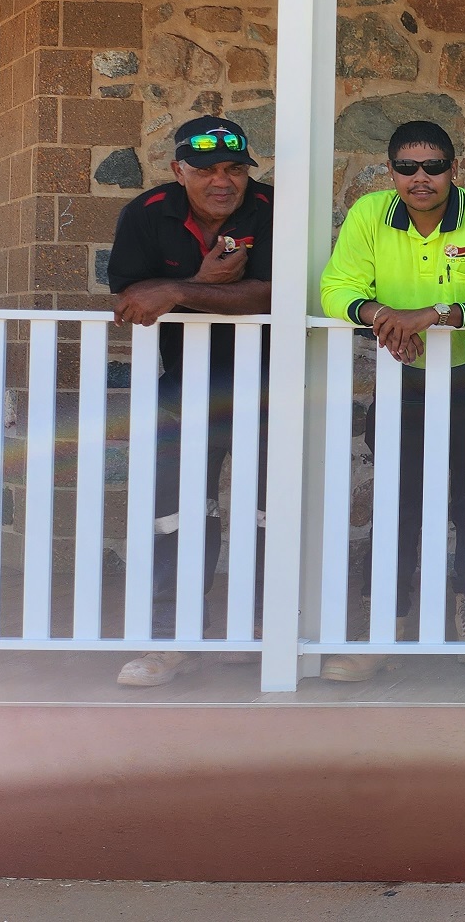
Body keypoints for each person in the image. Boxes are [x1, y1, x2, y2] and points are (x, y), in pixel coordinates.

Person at [317, 120, 465, 682]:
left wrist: (432, 315)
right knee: (396, 505)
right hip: (402, 376)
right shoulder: (369, 215)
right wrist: (384, 318)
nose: (420, 178)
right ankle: (383, 632)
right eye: (407, 167)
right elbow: (337, 287)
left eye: (433, 166)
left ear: (453, 170)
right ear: (391, 172)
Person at [109, 116, 273, 688]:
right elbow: (132, 298)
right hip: (183, 385)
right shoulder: (148, 212)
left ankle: (257, 631)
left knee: (266, 514)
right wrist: (213, 285)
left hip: (269, 383)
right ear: (180, 171)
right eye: (205, 170)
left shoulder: (273, 208)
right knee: (176, 512)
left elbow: (272, 294)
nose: (222, 181)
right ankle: (172, 640)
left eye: (234, 169)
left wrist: (181, 288)